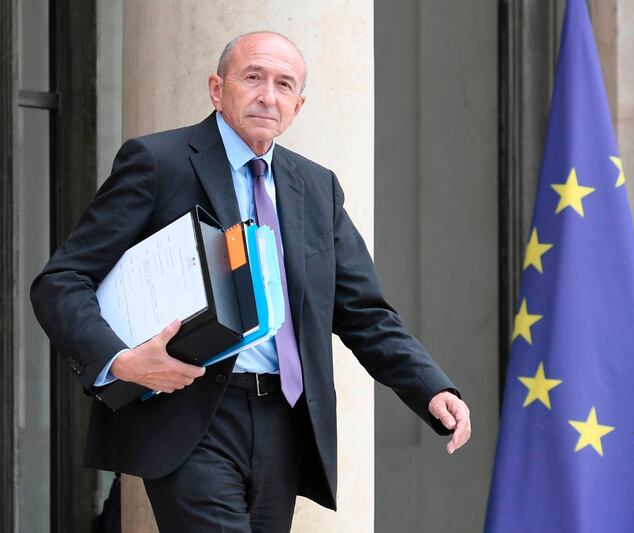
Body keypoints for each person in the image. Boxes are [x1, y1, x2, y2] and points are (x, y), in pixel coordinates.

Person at [30, 31, 471, 532]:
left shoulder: (316, 187)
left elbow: (364, 313)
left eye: (285, 85)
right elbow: (61, 281)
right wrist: (123, 361)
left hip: (283, 421)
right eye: (253, 78)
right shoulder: (157, 163)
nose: (268, 95)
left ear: (298, 105)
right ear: (217, 89)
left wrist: (431, 388)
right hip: (192, 417)